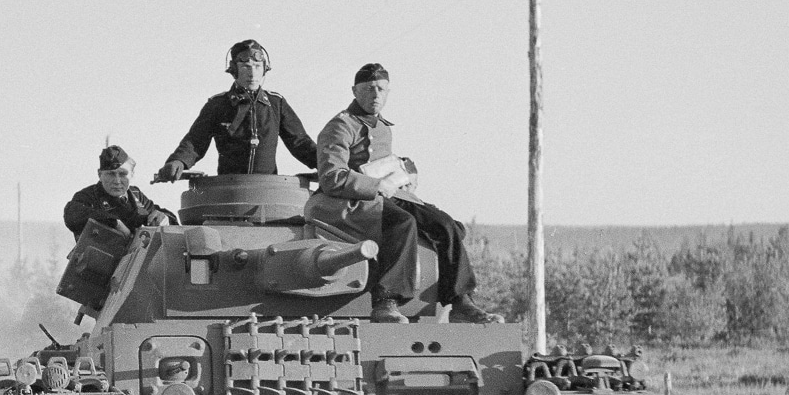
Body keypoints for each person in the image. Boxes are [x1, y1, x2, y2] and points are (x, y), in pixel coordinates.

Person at [311, 63, 501, 324]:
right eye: (368, 89)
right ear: (354, 91)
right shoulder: (340, 126)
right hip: (351, 200)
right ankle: (386, 301)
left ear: (388, 92)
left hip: (389, 194)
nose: (375, 95)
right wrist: (377, 186)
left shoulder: (383, 127)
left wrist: (403, 174)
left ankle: (460, 301)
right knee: (402, 223)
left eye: (381, 89)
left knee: (446, 225)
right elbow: (331, 176)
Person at [154, 40, 318, 180]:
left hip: (267, 190)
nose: (252, 73)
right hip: (229, 190)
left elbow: (300, 142)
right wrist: (178, 161)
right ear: (234, 70)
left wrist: (326, 163)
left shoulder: (276, 103)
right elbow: (196, 140)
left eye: (257, 66)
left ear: (265, 68)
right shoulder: (218, 105)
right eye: (246, 66)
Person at [64, 145, 177, 240]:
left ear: (132, 174)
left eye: (123, 174)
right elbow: (72, 215)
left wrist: (165, 219)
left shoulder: (135, 195)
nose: (117, 181)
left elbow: (163, 216)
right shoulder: (88, 197)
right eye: (111, 174)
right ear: (99, 174)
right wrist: (114, 223)